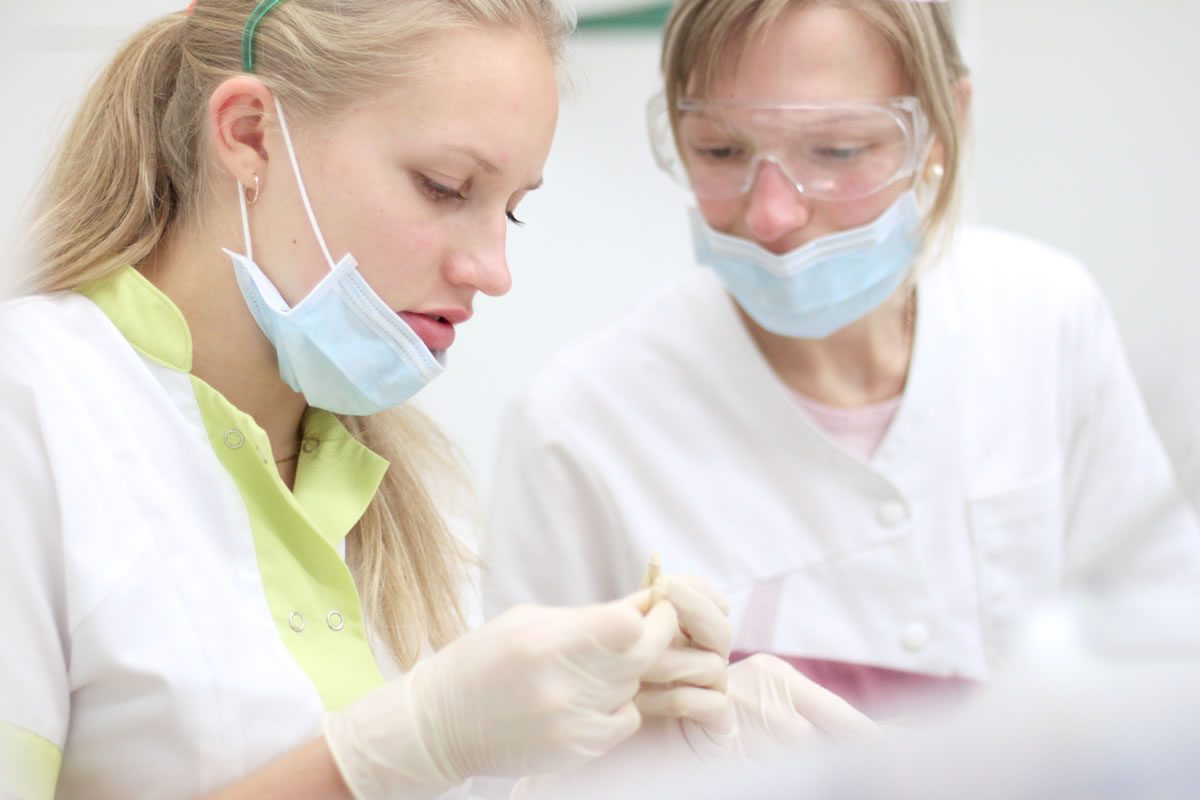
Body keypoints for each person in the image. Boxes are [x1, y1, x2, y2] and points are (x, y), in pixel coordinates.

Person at [0, 1, 875, 798]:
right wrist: (385, 754)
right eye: (446, 187)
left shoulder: (414, 496)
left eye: (512, 211)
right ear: (251, 134)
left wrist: (630, 748)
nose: (492, 271)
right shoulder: (32, 409)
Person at [483, 0, 1200, 718]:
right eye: (720, 151)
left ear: (943, 125)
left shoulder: (1045, 317)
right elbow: (521, 764)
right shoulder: (578, 426)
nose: (771, 216)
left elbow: (1164, 647)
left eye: (838, 152)